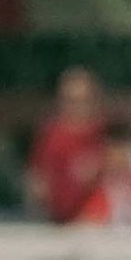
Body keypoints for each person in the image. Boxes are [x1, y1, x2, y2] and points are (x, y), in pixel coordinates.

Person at [27, 67, 106, 223]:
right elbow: (37, 184)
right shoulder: (51, 138)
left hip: (105, 226)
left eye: (84, 101)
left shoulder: (106, 135)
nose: (78, 107)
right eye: (71, 101)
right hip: (62, 225)